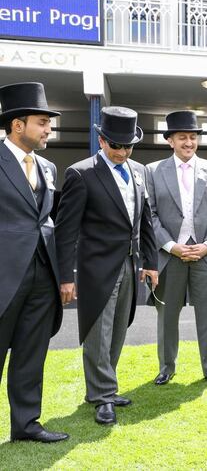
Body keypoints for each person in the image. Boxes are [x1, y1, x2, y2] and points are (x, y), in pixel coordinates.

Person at [55, 106, 158, 426]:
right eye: (116, 145)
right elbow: (65, 231)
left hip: (130, 264)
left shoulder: (140, 172)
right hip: (95, 269)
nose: (123, 151)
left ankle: (105, 389)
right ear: (101, 141)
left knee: (116, 332)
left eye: (128, 146)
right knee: (98, 333)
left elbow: (145, 221)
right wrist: (64, 278)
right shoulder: (80, 173)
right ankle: (101, 395)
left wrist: (151, 263)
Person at [0, 82, 67, 443]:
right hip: (3, 276)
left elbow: (46, 219)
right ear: (18, 125)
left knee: (31, 353)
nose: (48, 129)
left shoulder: (48, 167)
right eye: (43, 122)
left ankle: (26, 426)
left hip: (43, 274)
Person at [145, 111, 207, 387]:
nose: (189, 142)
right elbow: (150, 215)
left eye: (193, 137)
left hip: (206, 256)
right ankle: (166, 367)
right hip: (170, 256)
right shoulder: (153, 171)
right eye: (182, 137)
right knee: (167, 316)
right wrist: (171, 246)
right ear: (170, 140)